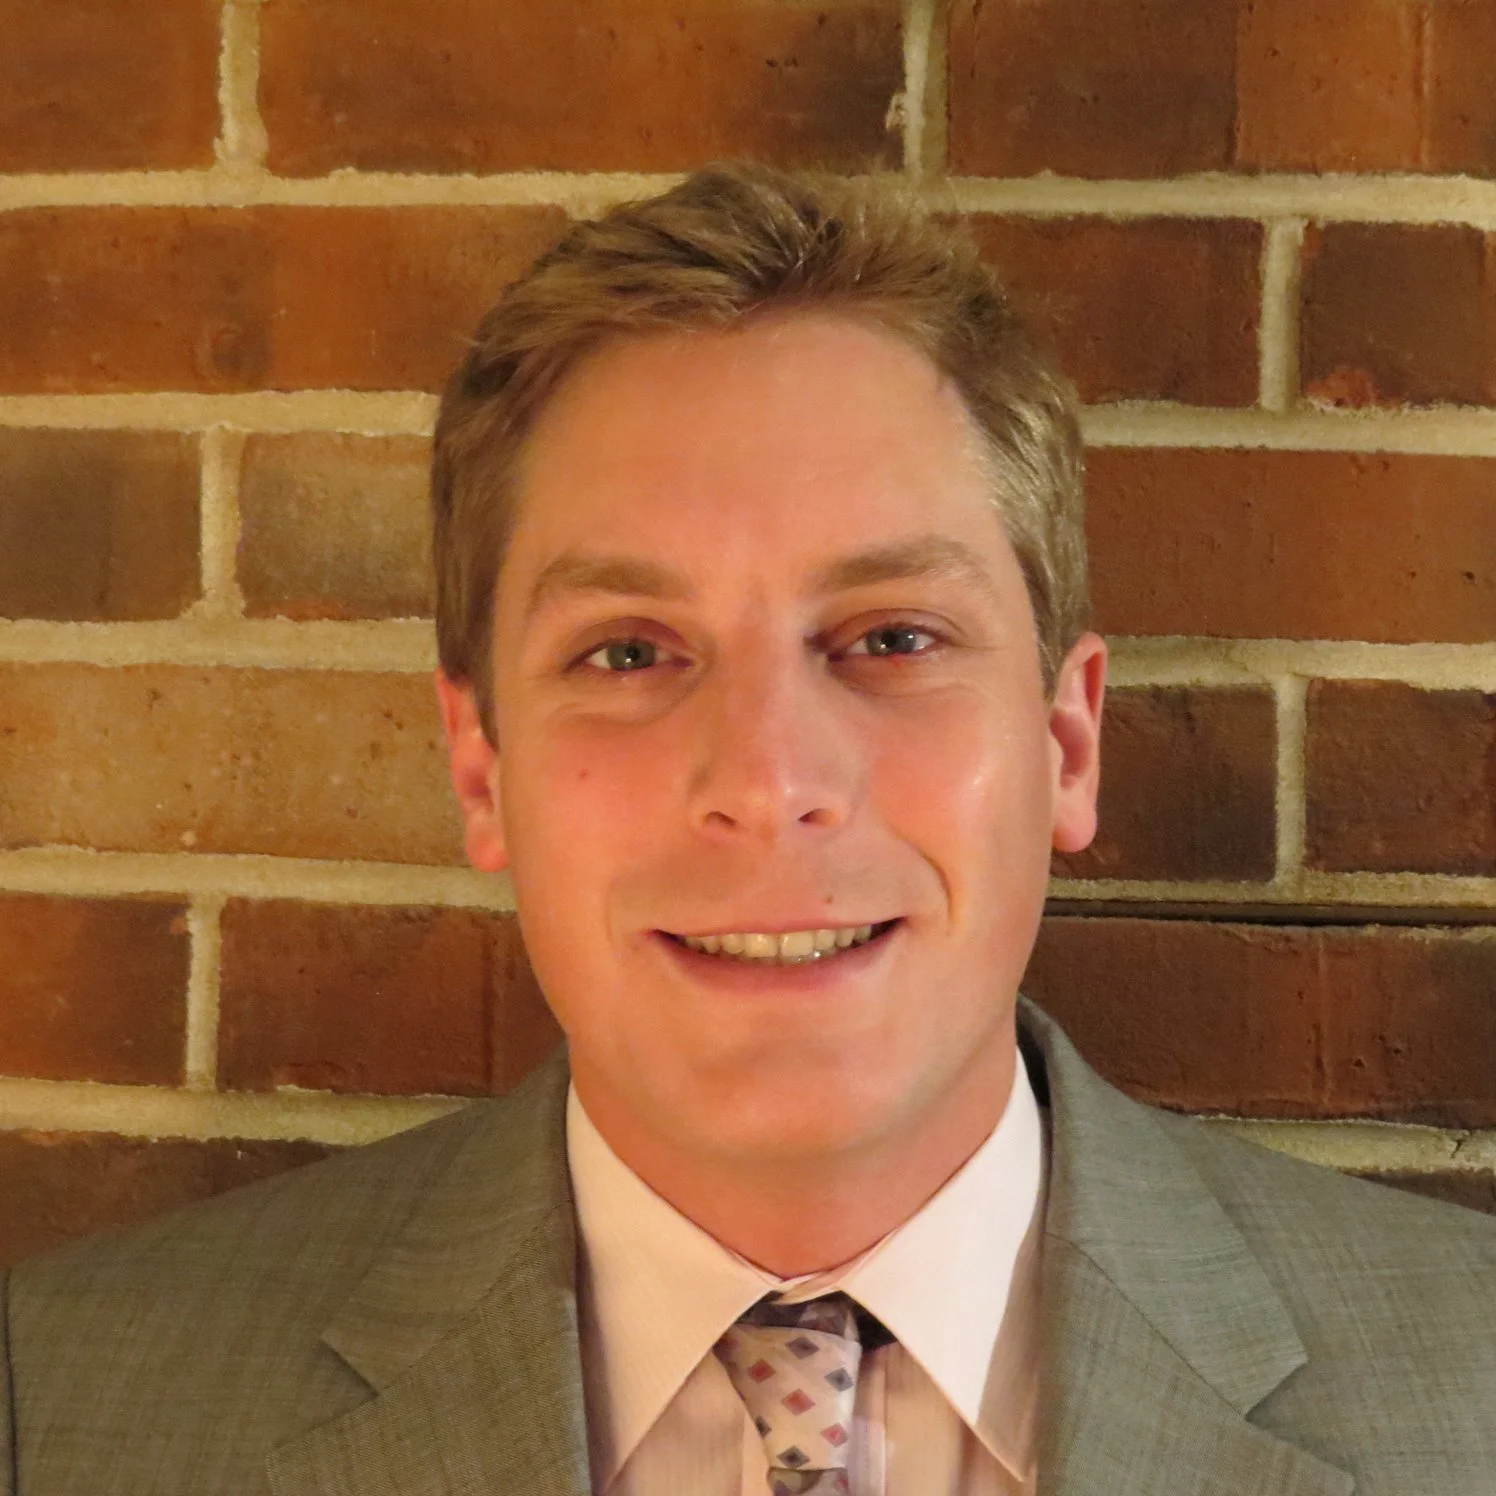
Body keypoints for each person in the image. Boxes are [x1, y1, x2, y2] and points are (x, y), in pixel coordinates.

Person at [2, 164, 1493, 1496]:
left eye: (893, 637)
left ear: (1065, 738)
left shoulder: (1471, 1393)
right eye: (631, 653)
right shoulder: (65, 1410)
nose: (769, 776)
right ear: (478, 763)